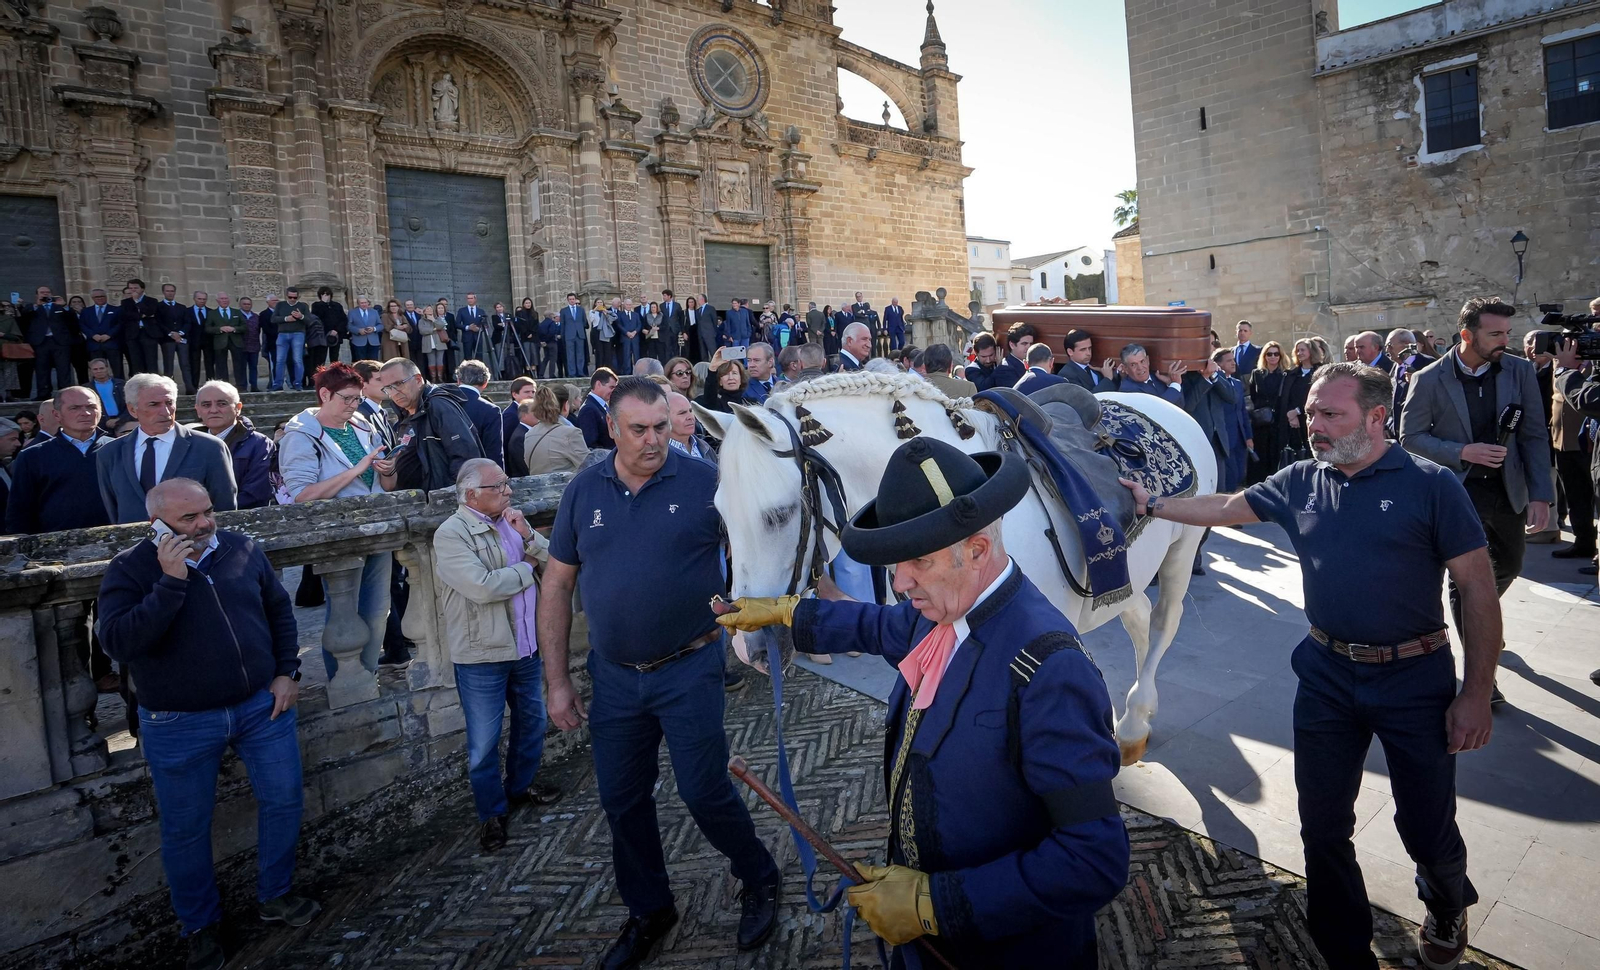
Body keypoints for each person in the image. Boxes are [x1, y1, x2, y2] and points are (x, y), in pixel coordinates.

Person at [1120, 362, 1500, 970]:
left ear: (1377, 418)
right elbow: (1226, 506)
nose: (1313, 424)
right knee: (1322, 829)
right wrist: (1156, 503)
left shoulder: (1432, 486)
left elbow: (1478, 589)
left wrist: (1476, 692)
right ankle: (1344, 951)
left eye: (1331, 414)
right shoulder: (1303, 479)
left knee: (1426, 825)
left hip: (1415, 679)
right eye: (1313, 411)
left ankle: (1447, 901)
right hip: (1326, 675)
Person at [718, 435, 1129, 968]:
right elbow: (876, 624)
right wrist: (788, 613)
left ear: (977, 549)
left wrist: (933, 905)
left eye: (917, 561)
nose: (900, 581)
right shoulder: (939, 611)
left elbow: (1094, 859)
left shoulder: (1051, 669)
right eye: (896, 562)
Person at [538, 377, 783, 968]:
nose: (656, 440)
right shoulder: (583, 490)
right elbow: (557, 584)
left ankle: (758, 876)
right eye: (640, 429)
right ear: (612, 429)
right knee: (622, 801)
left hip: (689, 667)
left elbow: (763, 544)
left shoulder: (706, 483)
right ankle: (650, 908)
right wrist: (558, 681)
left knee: (703, 790)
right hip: (615, 676)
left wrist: (771, 614)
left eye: (662, 426)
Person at [98, 478, 317, 969]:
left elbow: (278, 611)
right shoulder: (130, 569)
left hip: (262, 708)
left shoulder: (239, 547)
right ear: (157, 523)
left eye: (207, 513)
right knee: (186, 830)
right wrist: (171, 581)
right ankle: (199, 925)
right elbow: (119, 644)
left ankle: (275, 893)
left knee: (284, 801)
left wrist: (287, 672)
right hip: (179, 721)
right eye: (188, 519)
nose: (203, 525)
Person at [1400, 298, 1553, 706]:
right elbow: (1410, 439)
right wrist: (1462, 451)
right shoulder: (1429, 378)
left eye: (1508, 333)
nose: (1507, 341)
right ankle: (1481, 676)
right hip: (1455, 492)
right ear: (1467, 335)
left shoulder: (1519, 371)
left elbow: (1536, 435)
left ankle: (1482, 622)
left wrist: (1542, 495)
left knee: (1511, 566)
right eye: (1496, 334)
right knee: (1466, 579)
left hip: (1508, 491)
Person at [432, 458, 563, 851]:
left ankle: (520, 787)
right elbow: (483, 586)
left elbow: (555, 558)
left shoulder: (510, 521)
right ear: (471, 494)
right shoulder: (451, 534)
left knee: (533, 724)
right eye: (500, 486)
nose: (509, 491)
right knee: (484, 744)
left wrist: (528, 537)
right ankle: (491, 813)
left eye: (507, 484)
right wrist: (528, 567)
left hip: (525, 645)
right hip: (482, 654)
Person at [278, 362, 396, 676]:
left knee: (376, 611)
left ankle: (367, 674)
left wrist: (389, 470)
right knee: (344, 610)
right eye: (347, 398)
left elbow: (383, 483)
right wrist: (358, 470)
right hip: (340, 535)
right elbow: (302, 495)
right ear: (324, 394)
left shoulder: (360, 423)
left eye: (357, 399)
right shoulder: (300, 436)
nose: (354, 405)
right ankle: (344, 679)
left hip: (378, 529)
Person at [96, 373, 237, 524]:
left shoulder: (209, 447)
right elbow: (111, 508)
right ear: (132, 410)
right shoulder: (110, 453)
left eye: (169, 403)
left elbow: (224, 507)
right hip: (136, 544)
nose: (166, 411)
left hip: (193, 543)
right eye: (154, 404)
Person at [5, 386, 112, 534]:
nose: (85, 413)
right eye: (75, 408)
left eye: (91, 407)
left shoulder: (119, 449)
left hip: (117, 542)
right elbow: (19, 511)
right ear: (57, 415)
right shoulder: (33, 456)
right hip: (55, 547)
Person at [375, 357, 483, 492]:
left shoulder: (438, 406)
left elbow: (466, 457)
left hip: (439, 502)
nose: (394, 392)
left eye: (399, 383)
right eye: (388, 388)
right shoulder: (407, 410)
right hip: (415, 500)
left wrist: (445, 496)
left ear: (418, 380)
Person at [1548, 340, 1596, 562]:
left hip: (1587, 445)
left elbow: (1585, 399)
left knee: (1594, 497)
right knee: (1575, 496)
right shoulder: (1558, 367)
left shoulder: (1592, 366)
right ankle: (1583, 542)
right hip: (1563, 442)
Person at [193, 380, 273, 510]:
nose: (213, 410)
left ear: (238, 408)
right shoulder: (188, 444)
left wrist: (210, 513)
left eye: (222, 404)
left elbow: (256, 494)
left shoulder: (260, 444)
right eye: (206, 405)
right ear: (198, 410)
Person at [519, 386, 590, 476]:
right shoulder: (570, 433)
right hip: (564, 487)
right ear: (566, 405)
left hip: (540, 488)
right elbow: (588, 466)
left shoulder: (529, 434)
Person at [1275, 337, 1325, 462]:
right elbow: (1286, 397)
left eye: (1303, 350)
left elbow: (1318, 396)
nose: (1299, 353)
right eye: (1297, 350)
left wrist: (1297, 411)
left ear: (1311, 351)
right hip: (1292, 424)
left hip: (1313, 420)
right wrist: (1290, 415)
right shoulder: (1292, 374)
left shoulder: (1321, 372)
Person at [22, 286, 75, 400]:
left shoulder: (59, 306)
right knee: (42, 369)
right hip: (40, 342)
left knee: (63, 368)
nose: (45, 294)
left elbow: (72, 320)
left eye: (47, 292)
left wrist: (65, 306)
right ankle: (43, 394)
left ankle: (65, 394)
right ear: (37, 295)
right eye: (42, 292)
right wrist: (37, 305)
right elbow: (24, 319)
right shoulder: (32, 307)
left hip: (60, 342)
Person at [1246, 340, 1287, 483]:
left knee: (1274, 454)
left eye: (1276, 354)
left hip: (1277, 420)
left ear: (1281, 356)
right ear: (1264, 356)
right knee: (1260, 454)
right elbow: (1253, 395)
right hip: (1260, 421)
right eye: (1269, 354)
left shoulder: (1285, 375)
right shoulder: (1257, 374)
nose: (1273, 357)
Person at [452, 359, 506, 467]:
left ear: (458, 380)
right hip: (477, 473)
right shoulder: (490, 410)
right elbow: (494, 452)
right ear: (485, 383)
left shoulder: (440, 402)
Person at [1098, 343, 1183, 404]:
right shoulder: (1128, 390)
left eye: (1142, 361)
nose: (1140, 368)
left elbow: (1181, 405)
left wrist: (1169, 383)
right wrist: (1175, 384)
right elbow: (1158, 410)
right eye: (1133, 365)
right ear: (1125, 369)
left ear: (1148, 360)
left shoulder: (1157, 377)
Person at [118, 278, 162, 376]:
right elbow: (126, 316)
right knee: (136, 361)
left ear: (142, 289)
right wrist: (142, 315)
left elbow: (150, 311)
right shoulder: (126, 302)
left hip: (148, 334)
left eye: (136, 288)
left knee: (151, 361)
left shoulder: (152, 300)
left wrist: (137, 302)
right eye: (131, 288)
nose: (133, 290)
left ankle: (153, 384)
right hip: (133, 334)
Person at [79, 288, 123, 378]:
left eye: (102, 296)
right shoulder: (86, 311)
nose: (99, 298)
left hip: (112, 344)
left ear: (106, 296)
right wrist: (92, 335)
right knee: (96, 370)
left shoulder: (116, 309)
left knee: (117, 369)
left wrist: (109, 335)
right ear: (92, 298)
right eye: (97, 297)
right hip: (94, 345)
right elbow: (82, 325)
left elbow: (120, 324)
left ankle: (120, 388)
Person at [273, 287, 311, 391]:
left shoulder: (303, 306)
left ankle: (298, 383)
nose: (293, 299)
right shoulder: (280, 305)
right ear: (286, 296)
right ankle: (277, 384)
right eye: (290, 297)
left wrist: (301, 316)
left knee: (297, 359)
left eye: (295, 297)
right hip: (282, 334)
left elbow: (309, 321)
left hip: (298, 334)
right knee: (280, 360)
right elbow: (273, 319)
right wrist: (286, 319)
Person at [575, 368, 618, 450]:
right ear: (598, 384)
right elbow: (591, 444)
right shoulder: (588, 410)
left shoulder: (603, 406)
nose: (614, 391)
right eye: (611, 387)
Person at [87, 357, 127, 432]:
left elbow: (129, 404)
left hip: (123, 423)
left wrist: (119, 419)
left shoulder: (121, 384)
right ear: (91, 371)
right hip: (100, 425)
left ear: (107, 368)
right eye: (95, 369)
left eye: (101, 368)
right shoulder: (87, 389)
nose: (99, 371)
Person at [991, 322, 1035, 388]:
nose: (1029, 348)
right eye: (1024, 344)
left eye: (1031, 344)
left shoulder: (1031, 364)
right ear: (1012, 345)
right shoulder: (1005, 370)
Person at [560, 293, 589, 377]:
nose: (572, 301)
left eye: (573, 299)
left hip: (579, 334)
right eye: (570, 299)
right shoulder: (564, 311)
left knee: (580, 354)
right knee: (570, 355)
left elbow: (584, 321)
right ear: (568, 300)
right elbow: (562, 324)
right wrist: (562, 336)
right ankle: (572, 373)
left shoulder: (581, 310)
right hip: (569, 335)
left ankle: (580, 372)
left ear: (575, 300)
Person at [346, 296, 382, 361]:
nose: (364, 304)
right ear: (358, 304)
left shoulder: (374, 312)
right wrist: (358, 330)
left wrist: (374, 329)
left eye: (365, 302)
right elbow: (349, 326)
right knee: (361, 364)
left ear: (368, 303)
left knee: (373, 363)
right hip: (359, 341)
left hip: (373, 341)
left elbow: (380, 325)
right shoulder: (352, 312)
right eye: (362, 303)